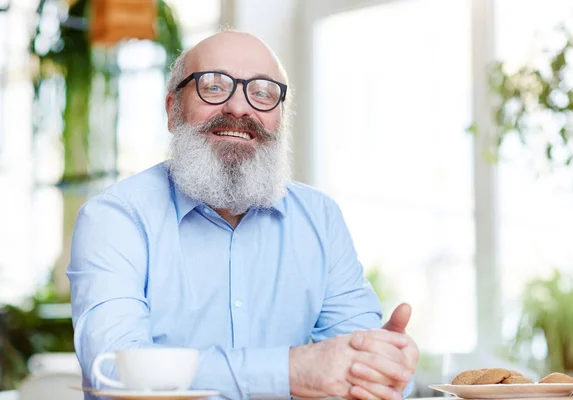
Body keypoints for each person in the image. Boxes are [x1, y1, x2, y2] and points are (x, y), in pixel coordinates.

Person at [67, 31, 419, 400]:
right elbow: (113, 370)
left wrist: (388, 364)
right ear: (172, 110)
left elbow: (366, 368)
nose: (239, 108)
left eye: (263, 93)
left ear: (281, 117)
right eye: (214, 87)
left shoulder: (320, 218)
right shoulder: (116, 218)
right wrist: (289, 371)